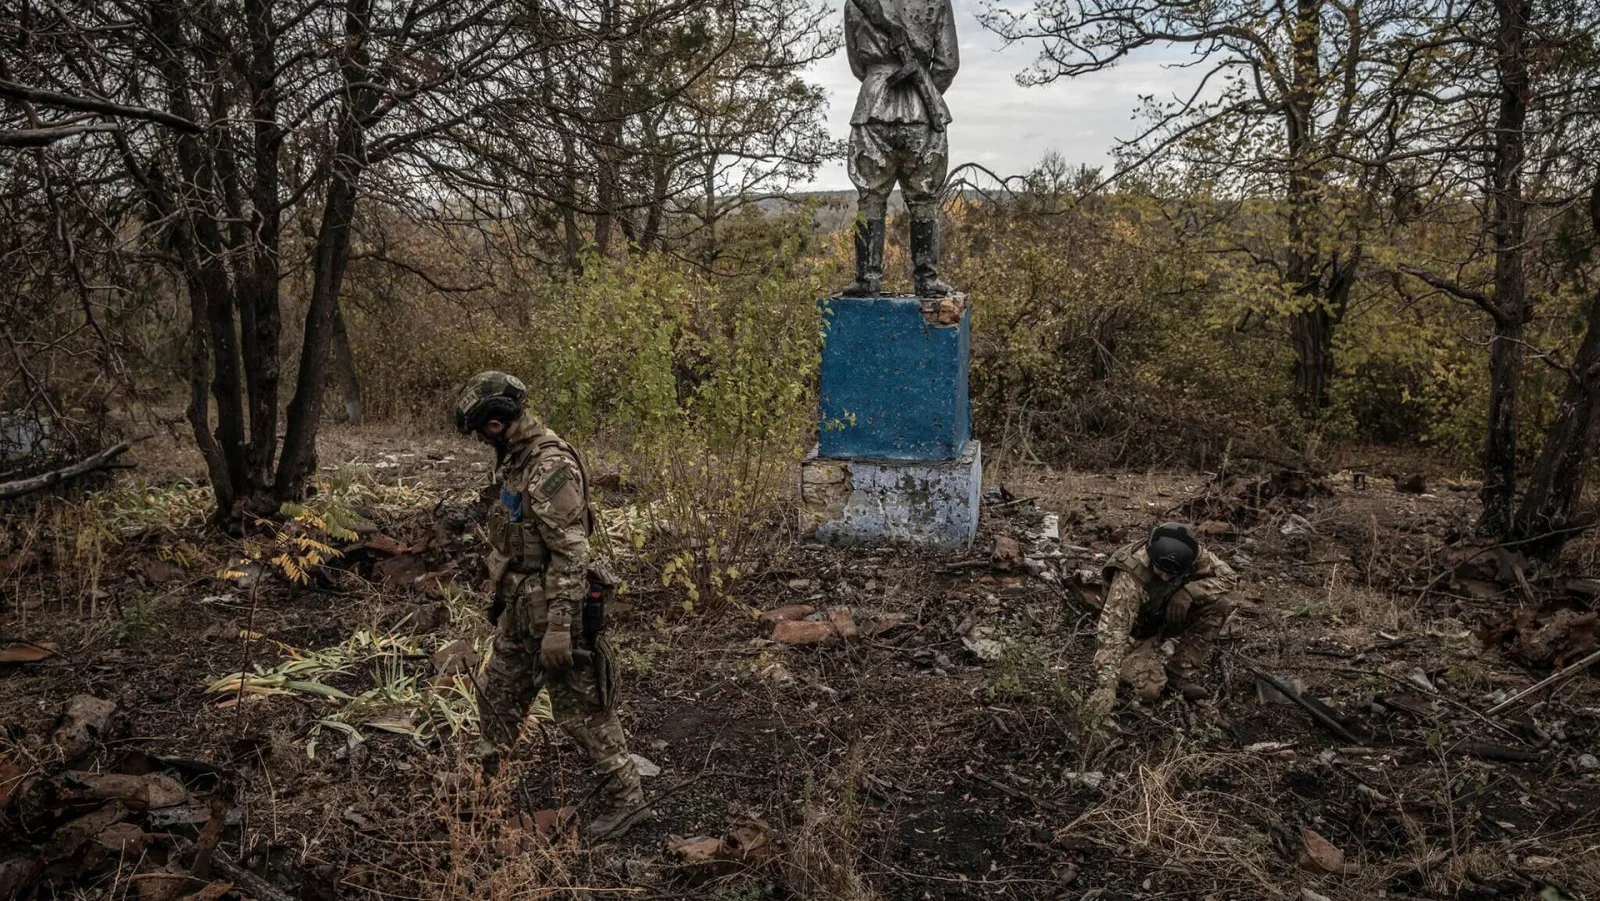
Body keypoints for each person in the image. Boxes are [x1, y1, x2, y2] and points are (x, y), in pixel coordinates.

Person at [454, 371, 647, 839]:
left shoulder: (548, 466)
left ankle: (628, 799)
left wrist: (561, 626)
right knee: (497, 697)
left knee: (582, 714)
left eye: (483, 431)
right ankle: (481, 790)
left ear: (497, 424)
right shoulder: (515, 460)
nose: (483, 440)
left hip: (555, 611)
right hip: (519, 611)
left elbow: (572, 551)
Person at [839, 0, 959, 298]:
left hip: (872, 105)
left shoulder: (855, 4)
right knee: (924, 197)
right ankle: (927, 279)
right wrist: (925, 92)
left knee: (870, 196)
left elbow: (857, 65)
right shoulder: (935, 2)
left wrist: (878, 80)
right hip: (922, 108)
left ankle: (867, 278)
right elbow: (947, 63)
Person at [1085, 522, 1236, 718]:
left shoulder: (1194, 554)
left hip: (1162, 618)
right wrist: (1107, 686)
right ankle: (1136, 660)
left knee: (1219, 605)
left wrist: (1189, 592)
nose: (1165, 577)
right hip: (1135, 634)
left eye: (1172, 574)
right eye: (1160, 570)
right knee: (1150, 690)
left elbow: (1229, 578)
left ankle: (1178, 674)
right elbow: (1114, 630)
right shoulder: (1131, 573)